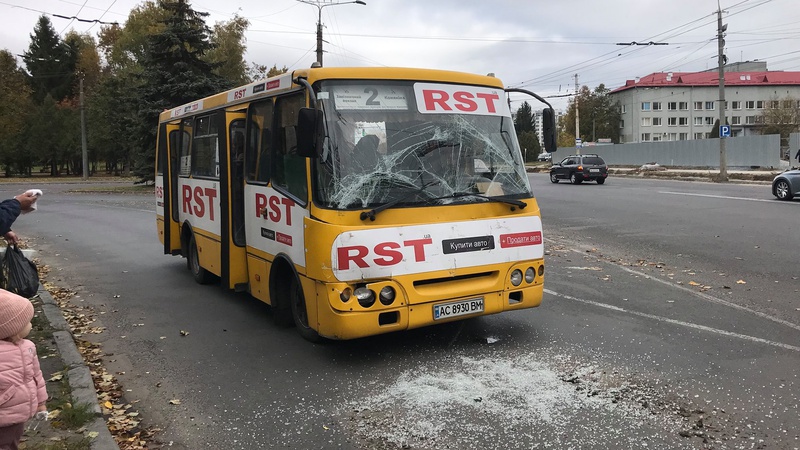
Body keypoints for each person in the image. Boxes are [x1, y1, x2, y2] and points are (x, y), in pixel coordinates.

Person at [0, 290, 48, 450]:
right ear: (12, 329)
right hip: (5, 411)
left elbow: (35, 377)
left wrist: (41, 403)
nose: (31, 325)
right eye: (27, 322)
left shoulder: (28, 348)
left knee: (12, 441)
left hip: (17, 413)